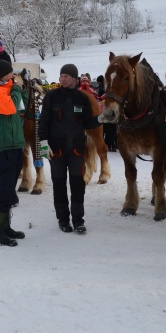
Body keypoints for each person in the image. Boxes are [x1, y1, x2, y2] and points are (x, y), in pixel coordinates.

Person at [39, 64, 106, 234]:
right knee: (59, 186)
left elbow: (89, 124)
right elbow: (44, 122)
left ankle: (78, 221)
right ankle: (63, 220)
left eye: (66, 76)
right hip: (56, 151)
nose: (63, 79)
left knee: (78, 186)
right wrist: (43, 143)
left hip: (76, 150)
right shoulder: (51, 97)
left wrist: (102, 118)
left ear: (75, 79)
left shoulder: (82, 99)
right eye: (61, 76)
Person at [0, 60, 26, 246]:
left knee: (9, 189)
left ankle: (6, 227)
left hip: (15, 144)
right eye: (11, 73)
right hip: (4, 146)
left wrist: (20, 88)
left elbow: (20, 104)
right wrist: (17, 89)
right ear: (3, 75)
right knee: (2, 190)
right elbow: (10, 107)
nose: (13, 76)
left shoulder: (6, 88)